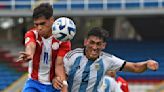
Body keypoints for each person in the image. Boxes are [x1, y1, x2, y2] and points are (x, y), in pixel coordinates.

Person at [55, 27, 158, 92]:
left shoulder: (108, 60)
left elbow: (134, 68)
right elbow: (59, 74)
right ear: (86, 42)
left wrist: (146, 64)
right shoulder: (72, 56)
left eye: (98, 44)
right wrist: (57, 80)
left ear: (104, 45)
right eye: (92, 42)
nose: (94, 47)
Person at [17, 3, 70, 92]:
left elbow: (59, 64)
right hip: (34, 83)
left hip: (53, 84)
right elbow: (31, 45)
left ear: (52, 20)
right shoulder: (32, 34)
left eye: (42, 24)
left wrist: (64, 84)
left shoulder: (62, 39)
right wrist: (30, 54)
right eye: (36, 25)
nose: (39, 28)